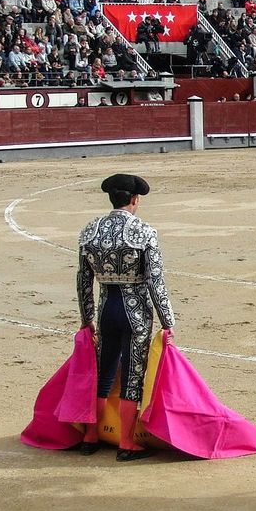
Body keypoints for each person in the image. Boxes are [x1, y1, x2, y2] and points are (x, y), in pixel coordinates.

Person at [76, 174, 175, 462]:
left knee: (102, 371)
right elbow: (156, 281)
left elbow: (83, 281)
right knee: (133, 374)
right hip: (135, 312)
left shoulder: (90, 231)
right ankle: (126, 443)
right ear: (134, 200)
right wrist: (167, 321)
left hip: (106, 309)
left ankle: (90, 435)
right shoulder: (144, 232)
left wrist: (87, 318)